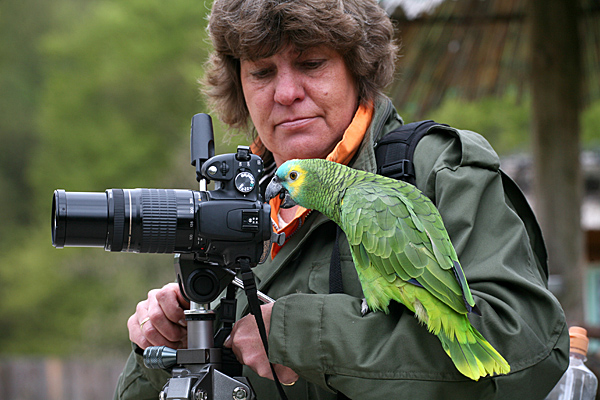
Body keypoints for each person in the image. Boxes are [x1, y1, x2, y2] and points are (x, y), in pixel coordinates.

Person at [114, 0, 569, 398]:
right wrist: (162, 351)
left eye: (311, 64)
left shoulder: (438, 171)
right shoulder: (227, 210)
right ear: (240, 86)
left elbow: (527, 350)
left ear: (358, 67)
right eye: (262, 71)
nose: (287, 93)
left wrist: (299, 337)